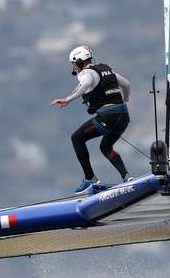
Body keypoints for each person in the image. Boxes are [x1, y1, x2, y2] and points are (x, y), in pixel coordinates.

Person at [51, 45, 133, 192]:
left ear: (79, 61)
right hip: (124, 116)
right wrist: (125, 101)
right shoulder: (106, 70)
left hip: (108, 117)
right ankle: (126, 177)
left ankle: (90, 179)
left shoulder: (86, 73)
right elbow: (127, 84)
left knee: (76, 138)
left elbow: (86, 84)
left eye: (74, 64)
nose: (74, 67)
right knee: (105, 147)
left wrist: (67, 99)